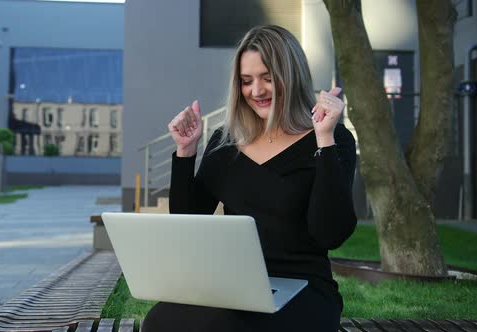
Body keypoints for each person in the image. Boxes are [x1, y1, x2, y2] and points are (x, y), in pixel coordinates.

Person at [141, 25, 357, 332]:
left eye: (268, 78)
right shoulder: (225, 141)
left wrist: (324, 140)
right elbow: (189, 221)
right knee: (160, 321)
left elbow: (330, 234)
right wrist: (186, 152)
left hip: (305, 288)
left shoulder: (333, 139)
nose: (256, 91)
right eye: (246, 81)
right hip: (234, 286)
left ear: (291, 75)